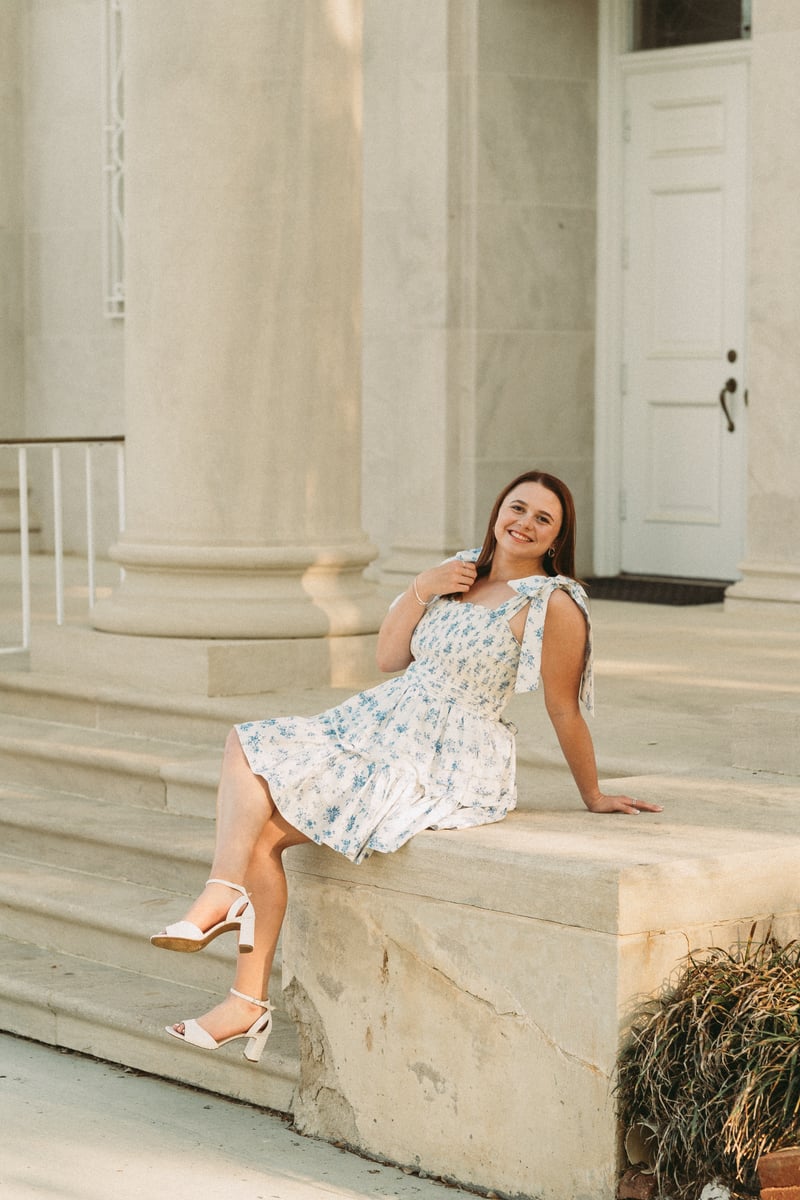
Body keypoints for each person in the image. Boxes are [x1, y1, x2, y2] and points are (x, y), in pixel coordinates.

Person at [150, 469, 662, 1060]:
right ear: (498, 510)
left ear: (557, 539)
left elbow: (562, 708)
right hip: (384, 719)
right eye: (516, 508)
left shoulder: (555, 603)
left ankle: (236, 968)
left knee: (265, 830)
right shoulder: (459, 570)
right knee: (246, 742)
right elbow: (390, 656)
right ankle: (227, 915)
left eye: (543, 519)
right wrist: (423, 586)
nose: (524, 524)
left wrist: (594, 794)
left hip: (449, 753)